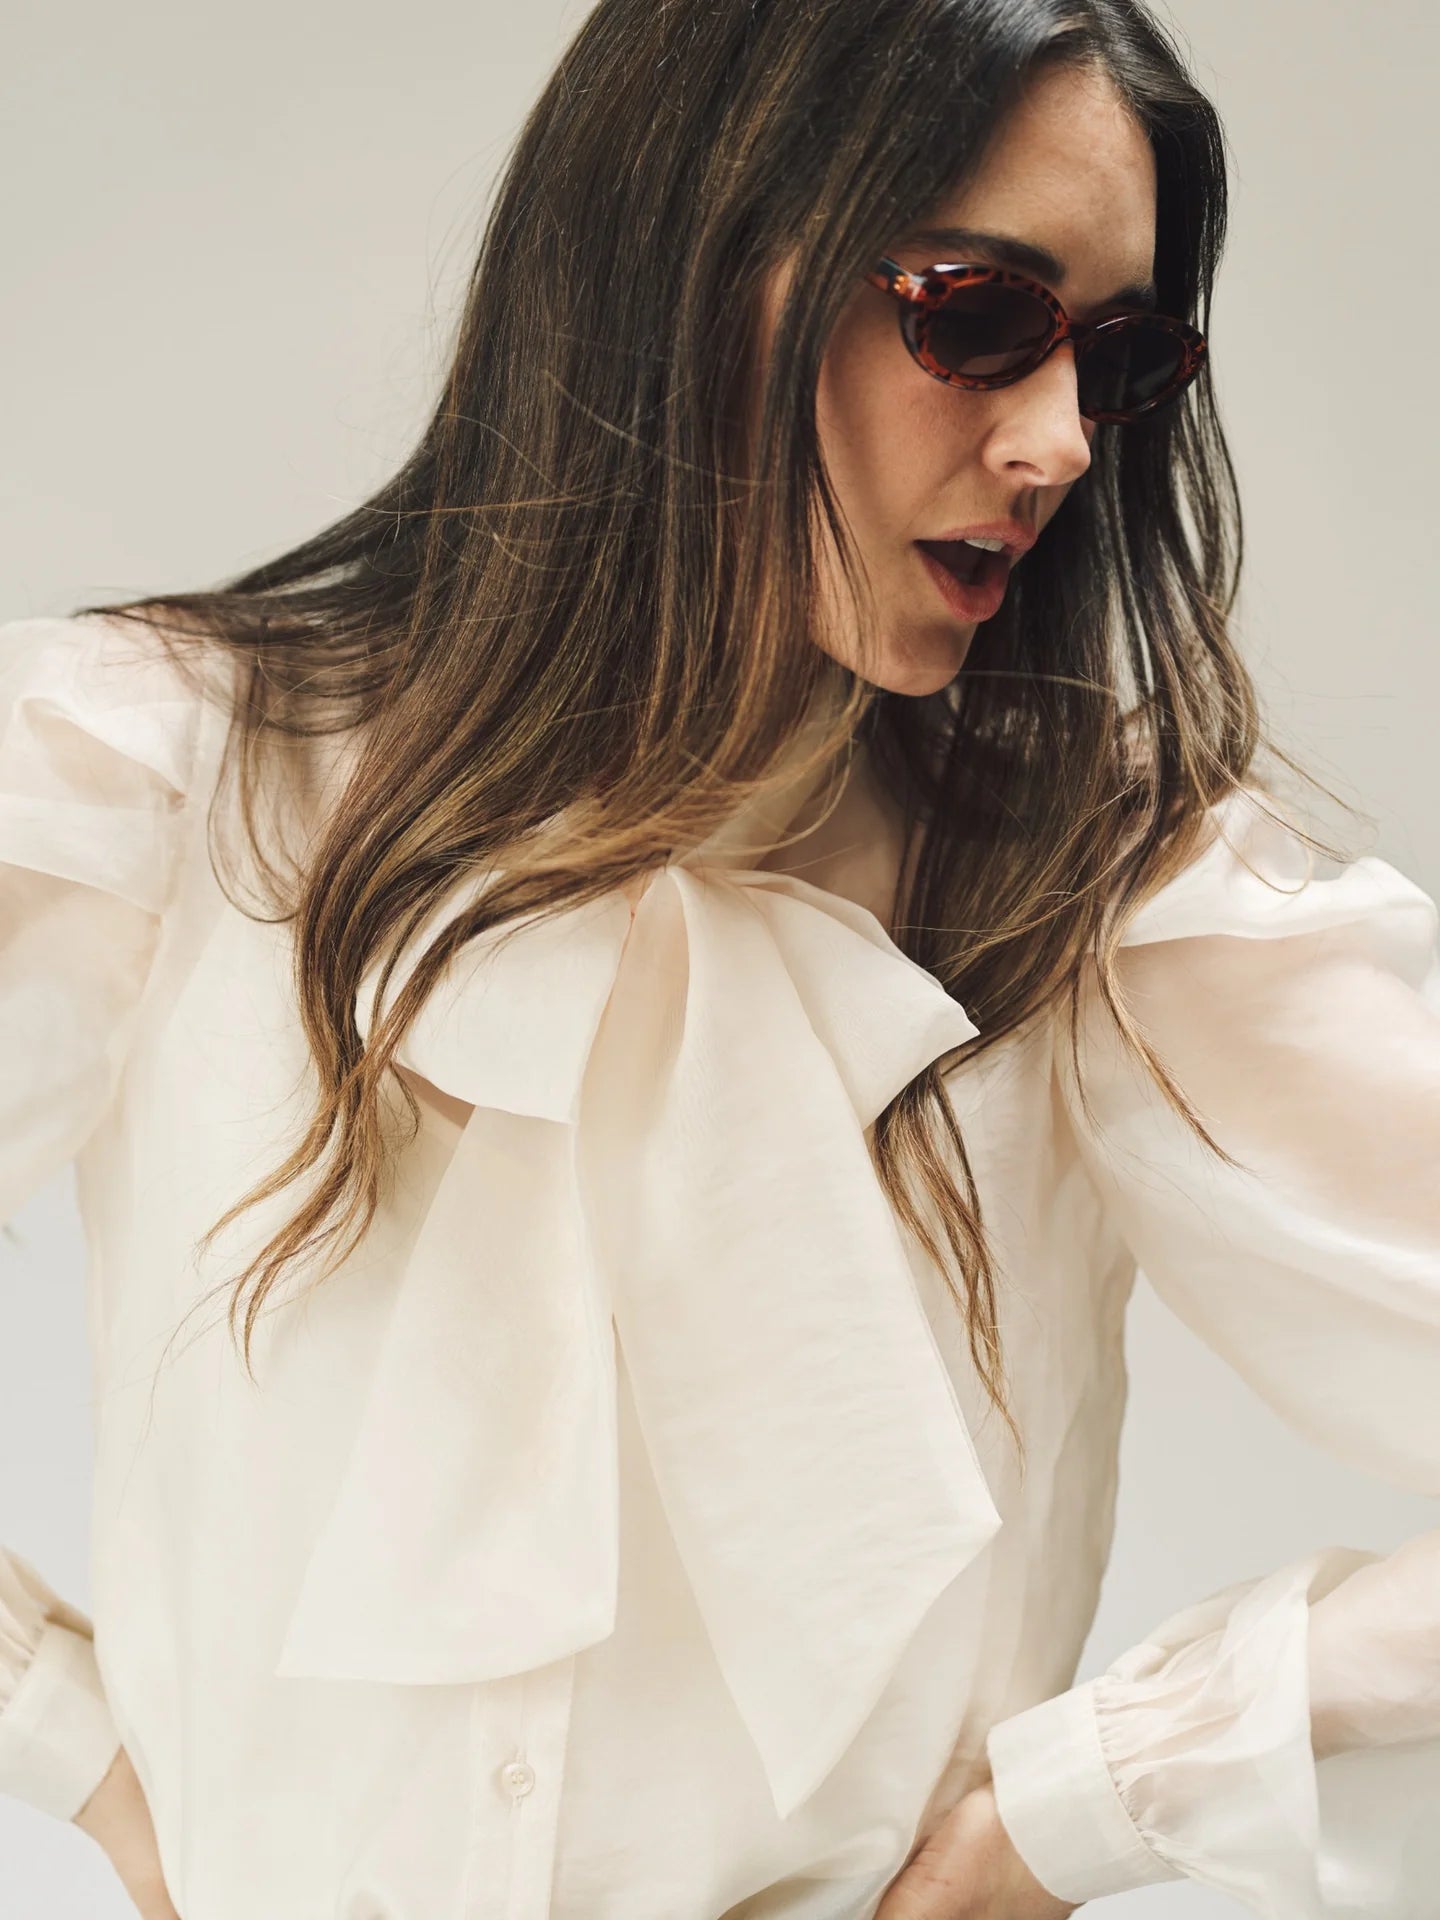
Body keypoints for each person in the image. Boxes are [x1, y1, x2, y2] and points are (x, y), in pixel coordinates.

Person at [1, 1, 1436, 1916]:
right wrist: (86, 1755)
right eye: (978, 315)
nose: (1060, 443)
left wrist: (1095, 1798)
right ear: (695, 267)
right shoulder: (169, 779)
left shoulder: (1085, 888)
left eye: (1119, 357)